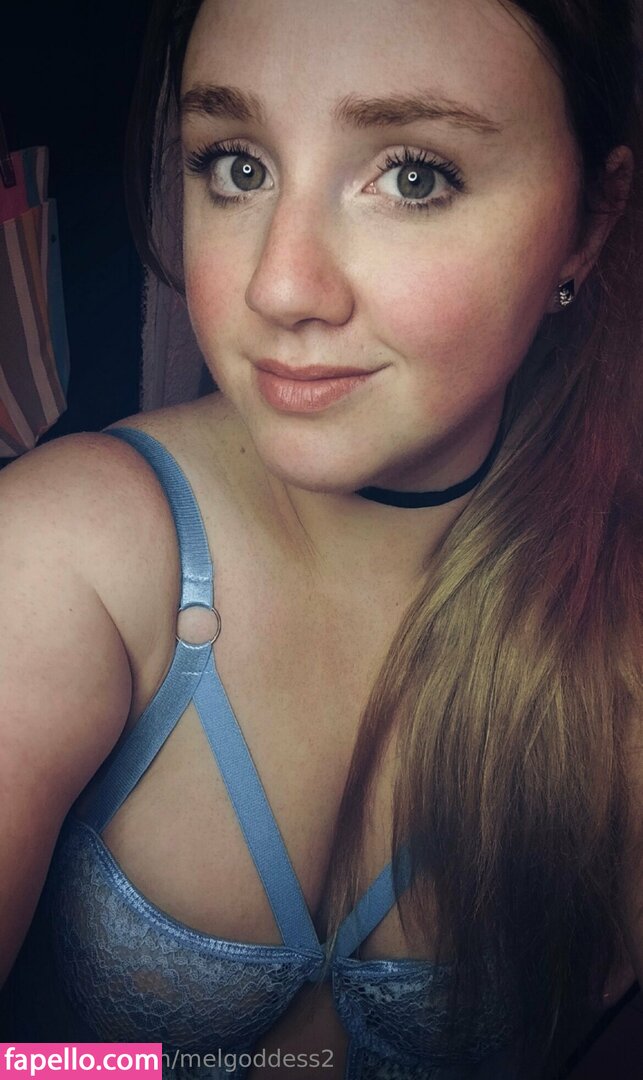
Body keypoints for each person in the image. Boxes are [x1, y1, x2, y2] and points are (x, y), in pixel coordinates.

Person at [1, 1, 641, 1077]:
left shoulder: (616, 630)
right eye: (238, 166)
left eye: (414, 176)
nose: (279, 285)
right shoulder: (68, 552)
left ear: (589, 218)